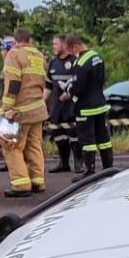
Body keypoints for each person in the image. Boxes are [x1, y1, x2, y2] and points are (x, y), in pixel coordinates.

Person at [0, 27, 48, 197]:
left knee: (11, 146)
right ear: (30, 39)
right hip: (38, 109)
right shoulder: (39, 56)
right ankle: (37, 181)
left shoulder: (15, 55)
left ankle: (20, 184)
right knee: (34, 145)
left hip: (20, 110)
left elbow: (13, 84)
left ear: (16, 40)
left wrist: (6, 110)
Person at [63, 34, 112, 179]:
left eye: (71, 51)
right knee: (104, 138)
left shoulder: (80, 63)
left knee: (87, 140)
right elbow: (101, 80)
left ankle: (89, 171)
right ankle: (108, 167)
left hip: (86, 108)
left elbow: (78, 88)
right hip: (100, 103)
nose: (71, 54)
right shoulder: (97, 57)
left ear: (75, 46)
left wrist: (69, 91)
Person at [46, 34, 80, 174]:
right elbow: (48, 86)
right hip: (57, 107)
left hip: (71, 106)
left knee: (74, 134)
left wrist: (69, 94)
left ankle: (79, 162)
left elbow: (80, 83)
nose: (53, 46)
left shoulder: (75, 61)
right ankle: (63, 163)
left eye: (56, 44)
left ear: (64, 45)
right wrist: (42, 102)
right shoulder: (53, 63)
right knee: (58, 134)